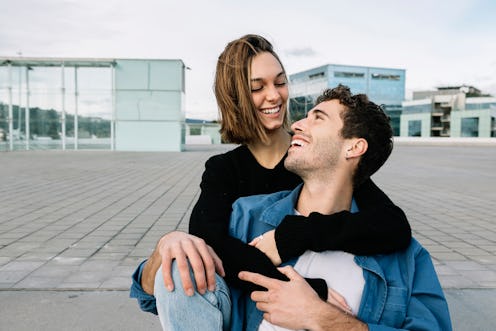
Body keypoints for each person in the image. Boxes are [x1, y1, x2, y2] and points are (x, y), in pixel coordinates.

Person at [130, 35, 411, 327]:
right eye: (257, 87)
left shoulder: (314, 158)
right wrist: (305, 291)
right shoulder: (223, 169)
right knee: (183, 263)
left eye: (279, 82)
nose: (275, 96)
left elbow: (392, 225)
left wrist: (293, 235)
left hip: (325, 290)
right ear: (235, 98)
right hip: (249, 302)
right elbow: (210, 244)